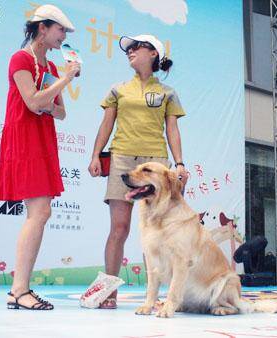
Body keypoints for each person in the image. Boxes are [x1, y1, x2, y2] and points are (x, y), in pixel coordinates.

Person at [88, 34, 188, 309]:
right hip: (122, 158)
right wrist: (96, 154)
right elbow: (106, 124)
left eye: (136, 47)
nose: (130, 51)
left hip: (155, 163)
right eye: (128, 49)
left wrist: (179, 163)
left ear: (154, 53)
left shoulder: (168, 92)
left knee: (154, 231)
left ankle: (151, 298)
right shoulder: (118, 89)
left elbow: (172, 129)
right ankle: (108, 292)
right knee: (119, 228)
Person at [0, 4, 81, 311]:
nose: (64, 37)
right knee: (39, 212)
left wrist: (54, 92)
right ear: (42, 28)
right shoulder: (20, 59)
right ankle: (19, 290)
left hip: (44, 140)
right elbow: (32, 102)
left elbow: (61, 112)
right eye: (60, 30)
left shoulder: (53, 68)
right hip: (24, 139)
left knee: (40, 213)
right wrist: (65, 81)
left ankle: (19, 290)